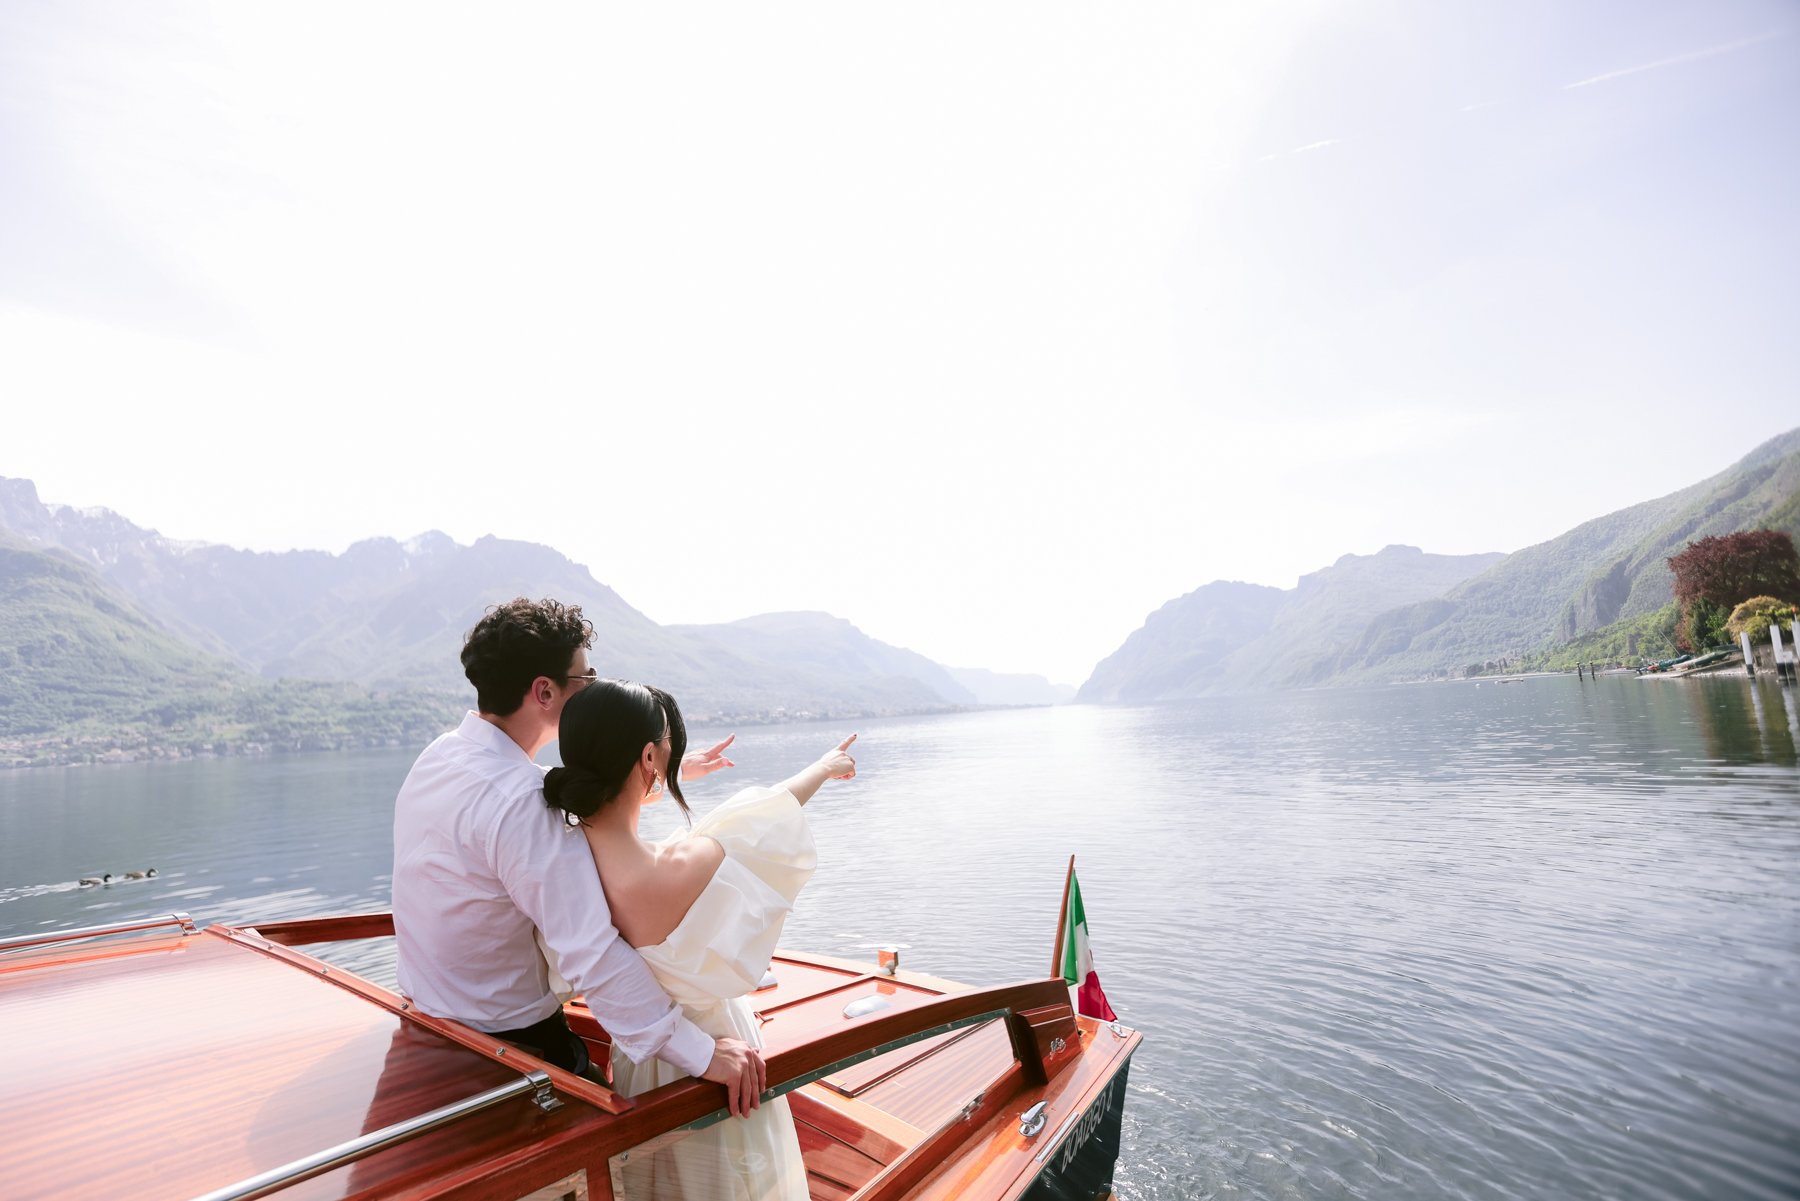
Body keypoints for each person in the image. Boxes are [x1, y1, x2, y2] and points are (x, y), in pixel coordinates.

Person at [390, 597, 766, 1117]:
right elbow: (592, 953)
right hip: (511, 1046)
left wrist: (661, 776)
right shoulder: (522, 803)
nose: (596, 689)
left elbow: (531, 820)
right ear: (545, 691)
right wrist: (704, 1054)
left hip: (428, 1025)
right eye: (586, 680)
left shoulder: (439, 758)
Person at [543, 678, 857, 1201]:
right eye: (666, 745)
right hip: (716, 1055)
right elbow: (764, 816)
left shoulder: (563, 860)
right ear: (648, 756)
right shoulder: (676, 869)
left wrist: (674, 770)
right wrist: (822, 768)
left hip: (638, 1060)